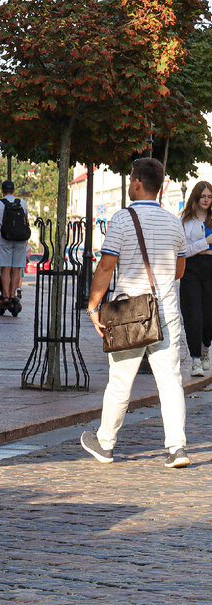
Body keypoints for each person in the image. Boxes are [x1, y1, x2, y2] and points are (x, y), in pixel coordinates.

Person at [81, 157, 189, 468]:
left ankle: (105, 444)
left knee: (120, 381)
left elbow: (106, 265)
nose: (130, 184)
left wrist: (93, 305)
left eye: (130, 179)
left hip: (129, 311)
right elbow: (180, 269)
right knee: (170, 381)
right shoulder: (173, 222)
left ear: (137, 183)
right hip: (165, 310)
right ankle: (177, 448)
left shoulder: (122, 219)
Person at [178, 181, 212, 376]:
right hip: (191, 270)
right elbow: (183, 251)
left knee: (209, 318)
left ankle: (206, 346)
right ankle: (196, 360)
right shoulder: (185, 220)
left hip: (210, 270)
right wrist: (205, 243)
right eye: (203, 196)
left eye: (209, 197)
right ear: (196, 197)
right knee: (194, 317)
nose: (206, 200)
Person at [0, 180, 29, 314]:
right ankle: (13, 294)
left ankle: (5, 296)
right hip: (20, 239)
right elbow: (26, 220)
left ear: (2, 191)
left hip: (5, 239)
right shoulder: (22, 203)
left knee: (6, 268)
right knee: (17, 268)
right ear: (14, 190)